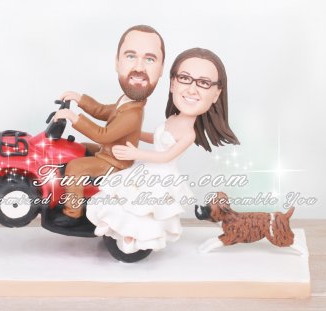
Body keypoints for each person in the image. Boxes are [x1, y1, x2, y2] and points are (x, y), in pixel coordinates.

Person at [86, 47, 240, 253]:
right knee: (125, 199)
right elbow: (156, 137)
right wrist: (135, 132)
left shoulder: (188, 134)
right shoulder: (173, 119)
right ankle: (113, 224)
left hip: (162, 177)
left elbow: (166, 155)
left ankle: (133, 235)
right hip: (149, 169)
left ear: (216, 94)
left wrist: (136, 154)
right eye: (185, 78)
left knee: (144, 208)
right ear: (173, 83)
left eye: (203, 83)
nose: (192, 90)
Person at [52, 25, 165, 227]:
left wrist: (73, 117)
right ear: (117, 62)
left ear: (161, 68)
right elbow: (104, 111)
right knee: (78, 148)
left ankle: (72, 213)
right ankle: (79, 194)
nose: (139, 67)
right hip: (108, 152)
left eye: (149, 59)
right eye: (131, 56)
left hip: (115, 161)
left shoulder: (133, 113)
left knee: (75, 167)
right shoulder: (126, 101)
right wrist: (79, 99)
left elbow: (104, 135)